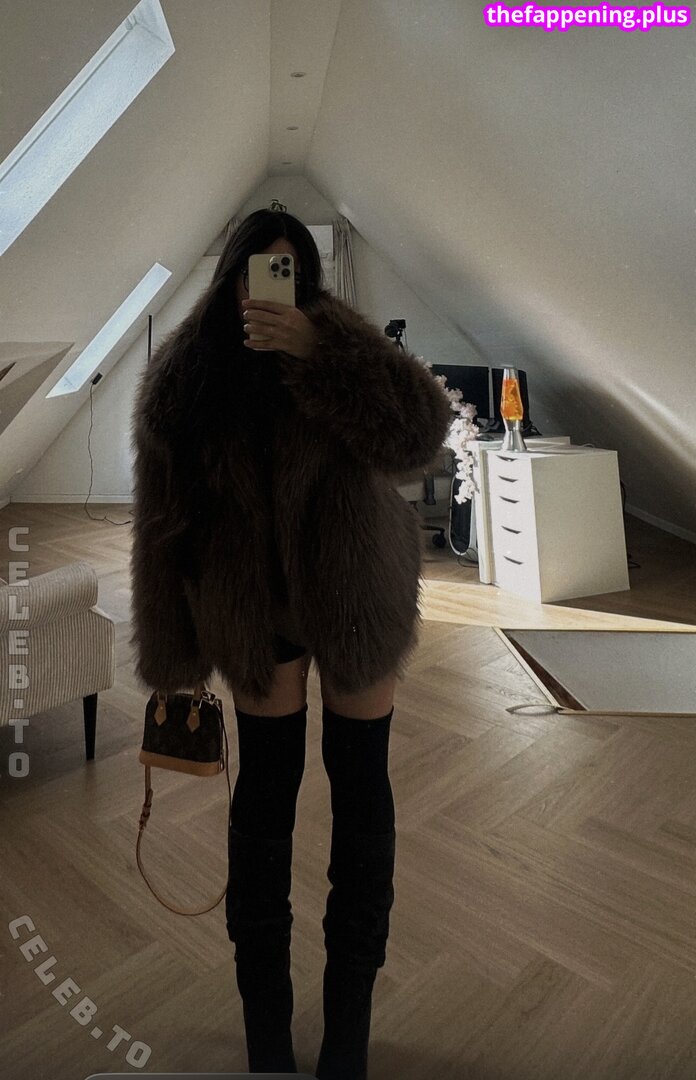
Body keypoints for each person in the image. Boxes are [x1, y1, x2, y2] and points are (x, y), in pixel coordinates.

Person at [129, 209, 453, 1078]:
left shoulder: (339, 340)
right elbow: (161, 522)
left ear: (306, 281)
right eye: (255, 270)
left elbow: (420, 437)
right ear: (230, 277)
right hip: (253, 611)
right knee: (265, 810)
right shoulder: (188, 374)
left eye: (288, 272)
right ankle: (267, 1040)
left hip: (355, 597)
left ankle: (348, 1037)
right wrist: (172, 654)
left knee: (363, 802)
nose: (268, 289)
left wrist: (324, 354)